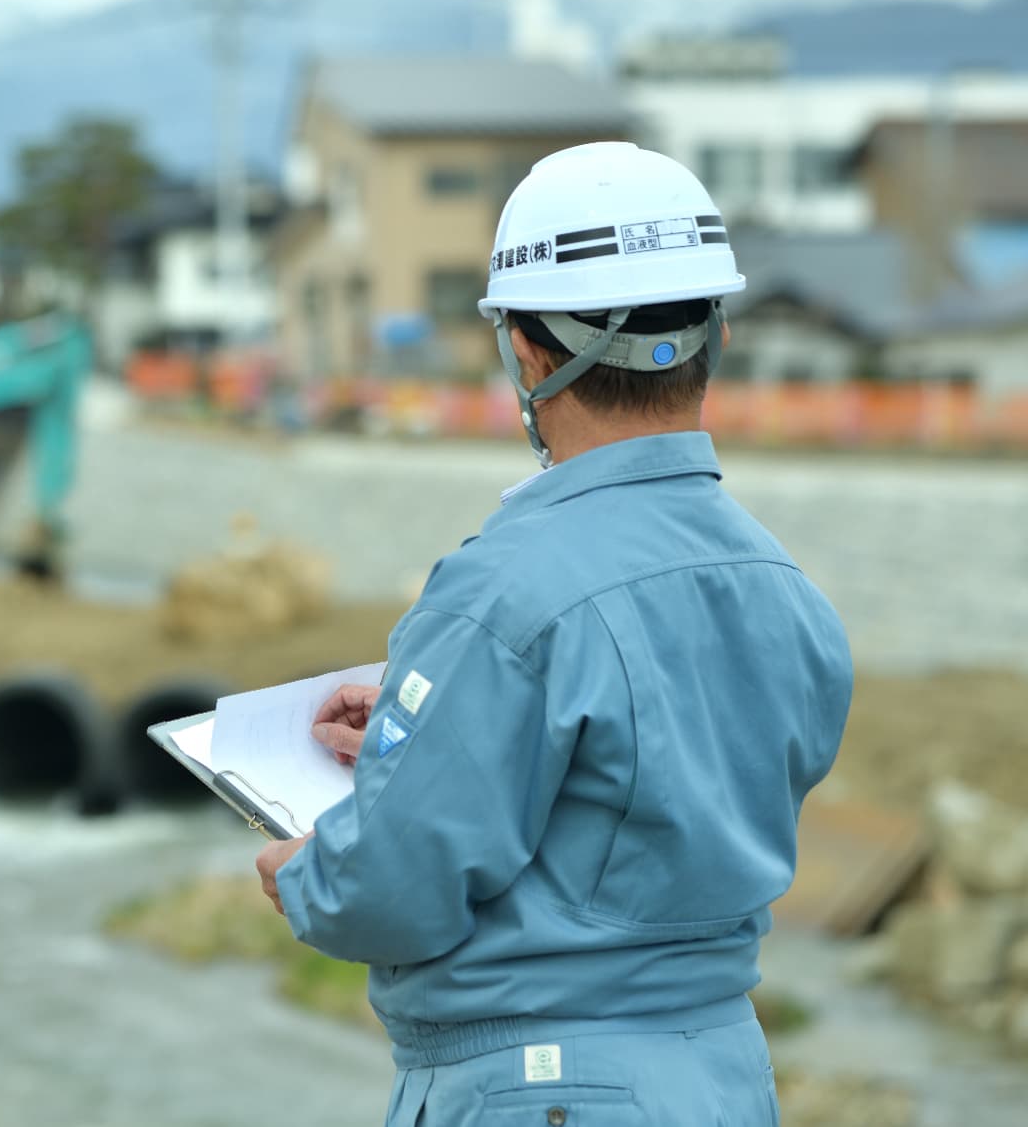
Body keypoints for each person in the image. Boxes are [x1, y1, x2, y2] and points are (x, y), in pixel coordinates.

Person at [255, 142, 852, 1126]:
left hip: (544, 1091)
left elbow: (394, 890)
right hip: (718, 1080)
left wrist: (306, 874)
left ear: (526, 352)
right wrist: (435, 737)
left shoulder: (502, 591)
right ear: (717, 335)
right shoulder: (786, 593)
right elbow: (644, 791)